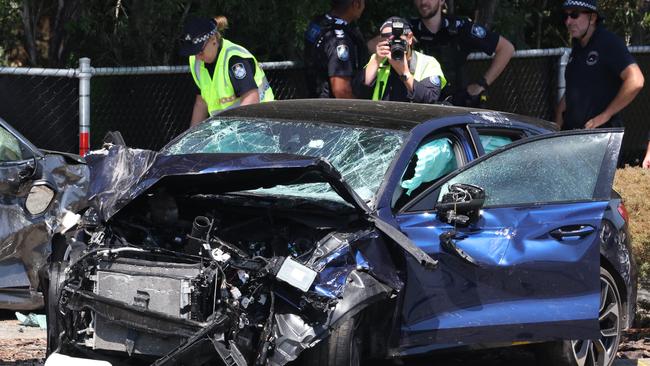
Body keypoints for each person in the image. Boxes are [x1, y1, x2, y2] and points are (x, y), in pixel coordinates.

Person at [555, 0, 644, 133]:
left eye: (574, 15)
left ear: (593, 18)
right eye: (565, 16)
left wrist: (605, 115)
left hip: (600, 138)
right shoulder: (578, 48)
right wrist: (556, 127)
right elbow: (571, 91)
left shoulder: (608, 43)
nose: (568, 22)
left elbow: (636, 80)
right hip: (572, 137)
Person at [410, 0, 514, 107]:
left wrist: (481, 84)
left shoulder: (460, 27)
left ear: (441, 1)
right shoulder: (408, 31)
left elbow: (506, 48)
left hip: (458, 106)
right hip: (421, 105)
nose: (423, 2)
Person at [179, 16, 274, 127]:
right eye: (193, 53)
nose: (198, 57)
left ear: (213, 39)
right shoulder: (196, 62)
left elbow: (251, 98)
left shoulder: (234, 59)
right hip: (228, 130)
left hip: (261, 124)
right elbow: (201, 102)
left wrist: (235, 133)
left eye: (200, 51)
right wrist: (193, 138)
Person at [353, 17, 445, 103]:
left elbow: (430, 99)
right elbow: (357, 93)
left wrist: (404, 73)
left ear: (409, 38)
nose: (394, 45)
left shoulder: (427, 63)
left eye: (398, 40)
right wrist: (376, 61)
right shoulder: (377, 59)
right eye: (388, 41)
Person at [304, 0, 367, 98]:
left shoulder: (319, 24)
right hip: (330, 109)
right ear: (356, 4)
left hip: (313, 100)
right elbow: (341, 90)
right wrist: (359, 112)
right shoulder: (340, 40)